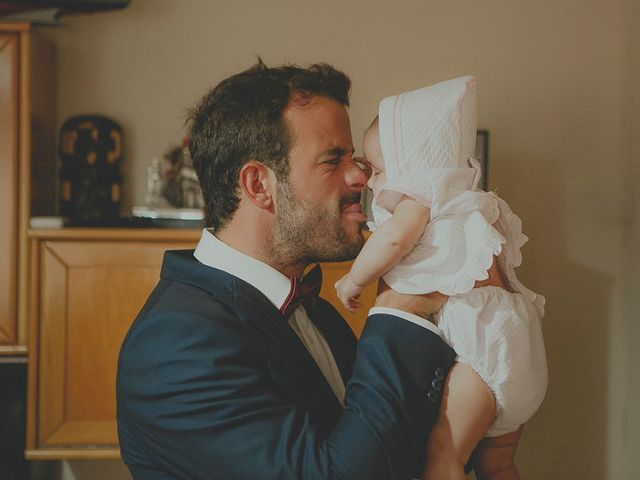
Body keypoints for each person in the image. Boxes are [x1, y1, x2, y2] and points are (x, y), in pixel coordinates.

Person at [116, 60, 459, 480]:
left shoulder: (318, 315)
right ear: (258, 185)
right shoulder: (175, 343)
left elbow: (384, 447)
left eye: (354, 157)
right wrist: (402, 311)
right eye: (334, 160)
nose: (361, 175)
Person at [335, 76, 548, 480]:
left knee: (443, 454)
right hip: (522, 352)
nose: (372, 181)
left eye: (377, 169)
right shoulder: (473, 203)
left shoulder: (419, 200)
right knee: (498, 463)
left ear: (411, 167)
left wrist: (353, 280)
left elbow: (393, 241)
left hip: (484, 358)